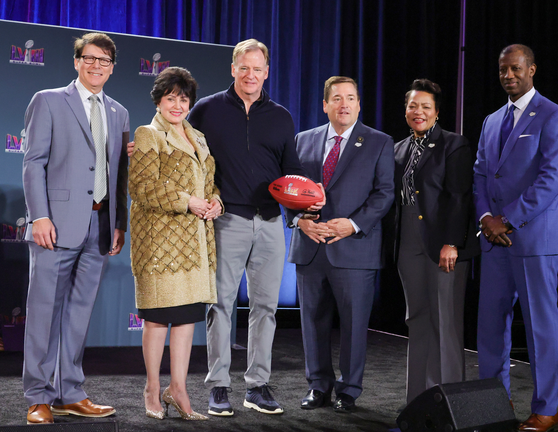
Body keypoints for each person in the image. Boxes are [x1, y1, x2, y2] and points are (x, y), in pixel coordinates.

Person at [187, 38, 306, 416]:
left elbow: (292, 174)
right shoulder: (206, 111)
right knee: (220, 304)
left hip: (271, 223)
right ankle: (219, 386)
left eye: (257, 68)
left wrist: (305, 206)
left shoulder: (282, 117)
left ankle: (257, 386)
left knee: (265, 307)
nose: (250, 74)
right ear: (233, 69)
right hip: (227, 220)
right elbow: (184, 154)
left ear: (266, 72)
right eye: (244, 67)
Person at [21, 32, 128, 425]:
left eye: (104, 60)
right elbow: (33, 163)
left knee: (78, 315)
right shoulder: (48, 100)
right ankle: (38, 396)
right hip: (56, 224)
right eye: (89, 58)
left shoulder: (119, 112)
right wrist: (39, 216)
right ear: (77, 61)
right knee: (44, 312)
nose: (96, 65)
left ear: (113, 67)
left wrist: (119, 224)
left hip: (100, 225)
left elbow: (118, 176)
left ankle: (70, 392)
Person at [473, 44, 558, 432]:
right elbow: (482, 174)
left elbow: (552, 179)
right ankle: (494, 402)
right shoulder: (492, 120)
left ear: (532, 69)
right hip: (493, 239)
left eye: (515, 68)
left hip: (533, 240)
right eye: (502, 70)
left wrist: (507, 220)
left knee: (540, 328)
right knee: (489, 326)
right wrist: (485, 218)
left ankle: (546, 409)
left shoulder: (554, 116)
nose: (508, 75)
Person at [287, 76, 394, 413]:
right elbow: (288, 190)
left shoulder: (378, 142)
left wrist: (353, 224)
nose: (344, 104)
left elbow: (385, 193)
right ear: (325, 105)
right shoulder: (302, 141)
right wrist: (298, 221)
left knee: (353, 325)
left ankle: (348, 390)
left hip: (354, 248)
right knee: (312, 322)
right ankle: (318, 386)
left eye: (350, 98)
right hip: (311, 247)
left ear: (359, 104)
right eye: (336, 98)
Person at [129, 67, 222, 422]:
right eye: (171, 98)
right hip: (160, 244)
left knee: (185, 321)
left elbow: (209, 183)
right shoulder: (148, 134)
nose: (177, 105)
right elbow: (142, 187)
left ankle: (178, 389)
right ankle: (153, 388)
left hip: (196, 242)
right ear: (159, 100)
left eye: (183, 99)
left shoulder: (198, 136)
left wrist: (215, 203)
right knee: (157, 320)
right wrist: (188, 201)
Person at [392, 79, 479, 405]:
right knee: (417, 320)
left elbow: (459, 198)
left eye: (425, 106)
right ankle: (419, 402)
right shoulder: (398, 149)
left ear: (437, 112)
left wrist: (452, 242)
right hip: (408, 246)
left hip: (443, 245)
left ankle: (451, 404)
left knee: (445, 323)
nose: (418, 112)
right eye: (413, 105)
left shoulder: (453, 145)